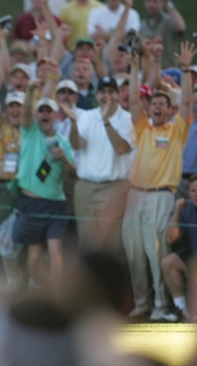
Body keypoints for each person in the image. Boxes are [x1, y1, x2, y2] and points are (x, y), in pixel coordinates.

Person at [122, 42, 195, 322]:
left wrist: (186, 70)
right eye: (153, 103)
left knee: (156, 254)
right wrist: (136, 66)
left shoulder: (176, 130)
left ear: (169, 109)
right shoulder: (142, 128)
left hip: (160, 196)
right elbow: (131, 101)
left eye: (162, 104)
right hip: (135, 197)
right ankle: (142, 303)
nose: (157, 107)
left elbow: (187, 102)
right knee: (134, 253)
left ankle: (162, 306)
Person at [12, 81, 75, 290]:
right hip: (31, 203)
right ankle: (41, 288)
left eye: (49, 111)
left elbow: (73, 173)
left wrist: (64, 158)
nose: (45, 114)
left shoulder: (62, 140)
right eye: (42, 111)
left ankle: (58, 292)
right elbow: (27, 113)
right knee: (34, 255)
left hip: (56, 203)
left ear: (56, 116)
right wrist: (30, 92)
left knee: (55, 248)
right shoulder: (30, 132)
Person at [68, 76, 134, 252]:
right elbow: (76, 145)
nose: (107, 96)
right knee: (86, 244)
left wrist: (106, 122)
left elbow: (122, 148)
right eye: (103, 92)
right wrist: (74, 124)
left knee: (112, 244)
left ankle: (113, 280)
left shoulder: (126, 118)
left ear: (118, 94)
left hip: (114, 187)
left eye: (111, 91)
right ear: (97, 95)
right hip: (86, 187)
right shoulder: (87, 117)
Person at [162, 176, 197, 320]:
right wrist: (177, 212)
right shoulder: (187, 209)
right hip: (193, 257)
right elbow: (171, 238)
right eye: (193, 190)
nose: (196, 194)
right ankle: (182, 310)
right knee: (168, 261)